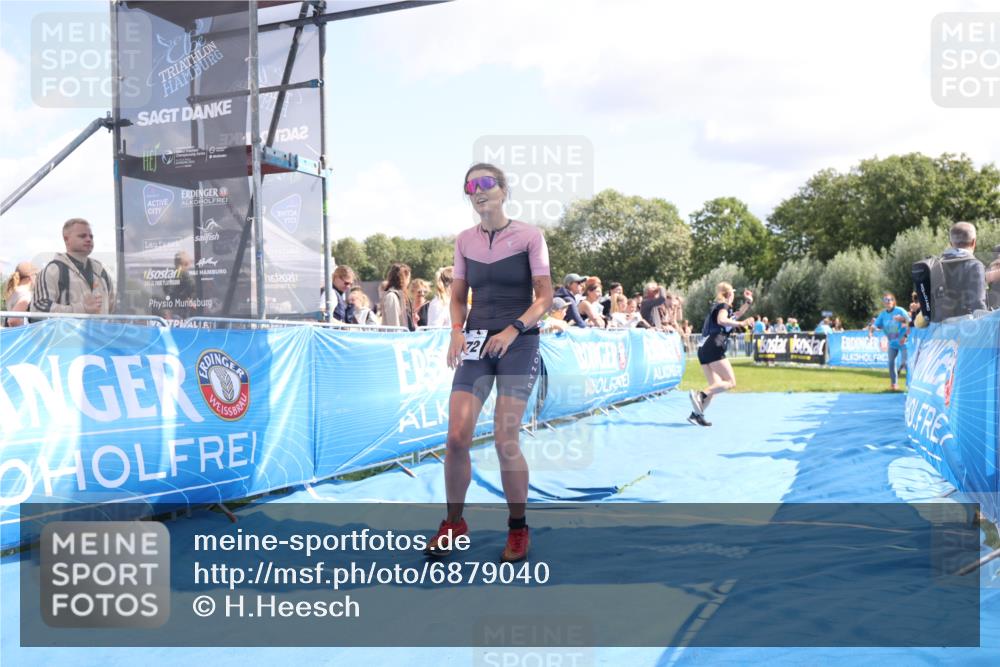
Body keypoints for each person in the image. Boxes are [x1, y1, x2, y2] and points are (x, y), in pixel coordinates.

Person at [428, 162, 553, 563]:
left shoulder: (530, 236)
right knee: (456, 438)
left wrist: (513, 330)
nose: (477, 190)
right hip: (478, 343)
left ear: (503, 190)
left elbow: (545, 299)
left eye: (485, 183)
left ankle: (518, 528)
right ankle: (453, 522)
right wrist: (456, 331)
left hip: (518, 343)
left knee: (504, 439)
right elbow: (458, 294)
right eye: (470, 185)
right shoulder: (464, 240)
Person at [687, 282, 754, 427]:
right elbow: (722, 321)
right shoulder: (723, 307)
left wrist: (748, 302)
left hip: (703, 348)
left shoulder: (719, 308)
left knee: (716, 387)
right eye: (733, 294)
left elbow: (737, 314)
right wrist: (743, 323)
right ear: (730, 294)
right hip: (714, 346)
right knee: (731, 382)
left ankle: (697, 415)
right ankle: (700, 395)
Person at [32, 218, 114, 316]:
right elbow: (39, 311)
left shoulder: (102, 272)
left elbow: (113, 308)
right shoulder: (53, 270)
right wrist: (82, 309)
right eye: (82, 236)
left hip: (101, 331)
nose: (88, 239)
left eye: (91, 236)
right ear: (66, 239)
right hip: (66, 331)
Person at [868, 292, 910, 391]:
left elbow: (910, 322)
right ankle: (894, 384)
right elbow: (874, 326)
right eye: (886, 300)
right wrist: (870, 333)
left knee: (906, 363)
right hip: (892, 343)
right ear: (884, 303)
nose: (889, 302)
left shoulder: (900, 310)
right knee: (891, 363)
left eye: (891, 299)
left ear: (894, 301)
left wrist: (903, 322)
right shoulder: (882, 315)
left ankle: (910, 385)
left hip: (904, 341)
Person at [379, 263, 415, 330]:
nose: (409, 282)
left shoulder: (400, 295)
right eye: (409, 278)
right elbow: (394, 325)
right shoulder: (392, 296)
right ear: (405, 278)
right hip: (396, 338)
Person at [3, 261, 38, 327]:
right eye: (36, 275)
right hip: (19, 335)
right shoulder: (26, 295)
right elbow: (13, 320)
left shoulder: (13, 291)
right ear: (30, 277)